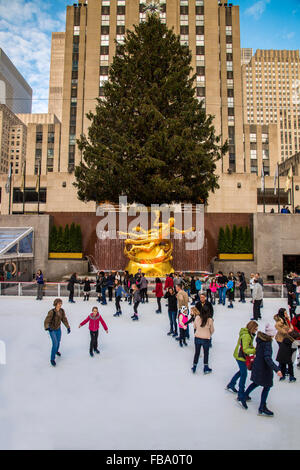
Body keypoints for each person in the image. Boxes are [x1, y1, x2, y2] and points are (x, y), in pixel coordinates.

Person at [243, 324, 283, 416]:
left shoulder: (261, 339)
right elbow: (267, 358)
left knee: (256, 383)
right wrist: (277, 369)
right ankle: (262, 407)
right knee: (267, 386)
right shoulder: (267, 343)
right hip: (263, 368)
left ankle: (244, 396)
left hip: (258, 366)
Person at [226, 320, 258, 404]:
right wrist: (255, 350)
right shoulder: (246, 336)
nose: (256, 331)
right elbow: (246, 349)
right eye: (255, 329)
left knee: (241, 372)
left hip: (240, 355)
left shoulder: (248, 334)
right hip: (241, 357)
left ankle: (231, 384)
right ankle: (241, 394)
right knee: (244, 374)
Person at [44, 298, 71, 367]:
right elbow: (46, 321)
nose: (60, 305)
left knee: (58, 341)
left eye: (61, 303)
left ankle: (56, 351)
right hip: (52, 329)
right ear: (55, 304)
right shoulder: (51, 312)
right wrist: (47, 327)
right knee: (55, 343)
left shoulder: (62, 311)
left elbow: (64, 319)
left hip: (58, 329)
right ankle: (52, 359)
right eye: (59, 303)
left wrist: (68, 327)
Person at [191, 305, 214, 374]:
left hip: (197, 337)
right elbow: (212, 330)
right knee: (206, 353)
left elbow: (194, 326)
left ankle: (194, 367)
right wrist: (209, 334)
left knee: (197, 352)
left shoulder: (197, 317)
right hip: (206, 338)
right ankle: (206, 367)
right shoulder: (210, 320)